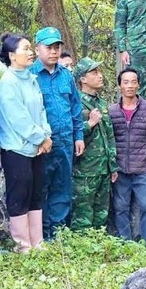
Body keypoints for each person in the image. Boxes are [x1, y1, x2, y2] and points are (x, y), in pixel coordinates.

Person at [31, 27, 98, 241]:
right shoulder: (30, 75)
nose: (53, 51)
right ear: (37, 49)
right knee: (40, 188)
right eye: (49, 47)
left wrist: (78, 135)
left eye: (57, 47)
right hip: (40, 143)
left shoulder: (66, 76)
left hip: (65, 141)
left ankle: (57, 234)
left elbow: (75, 108)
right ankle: (40, 233)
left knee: (62, 187)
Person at [0, 34, 52, 254]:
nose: (30, 53)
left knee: (36, 192)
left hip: (37, 147)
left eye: (30, 48)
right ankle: (22, 244)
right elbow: (18, 118)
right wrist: (40, 138)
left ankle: (37, 242)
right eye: (25, 49)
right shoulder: (8, 82)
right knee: (20, 193)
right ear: (11, 56)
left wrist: (46, 135)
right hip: (17, 147)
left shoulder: (31, 78)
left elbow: (41, 110)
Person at [108, 67, 146, 242]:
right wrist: (111, 167)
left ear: (139, 84)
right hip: (120, 171)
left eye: (133, 82)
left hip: (143, 169)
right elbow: (109, 143)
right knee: (120, 208)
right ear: (119, 86)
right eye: (126, 82)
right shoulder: (111, 111)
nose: (130, 86)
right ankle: (125, 243)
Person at [70, 58, 118, 233]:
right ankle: (81, 249)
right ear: (83, 79)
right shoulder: (76, 103)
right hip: (85, 170)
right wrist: (89, 124)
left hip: (103, 168)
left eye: (99, 72)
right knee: (83, 214)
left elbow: (109, 136)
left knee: (101, 214)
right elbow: (71, 134)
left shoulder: (101, 103)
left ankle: (99, 247)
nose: (100, 76)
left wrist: (113, 165)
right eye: (94, 72)